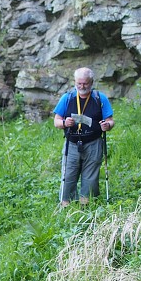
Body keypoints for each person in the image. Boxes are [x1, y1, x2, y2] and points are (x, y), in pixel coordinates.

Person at [53, 67, 114, 207]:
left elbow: (110, 120)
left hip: (93, 143)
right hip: (72, 144)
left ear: (91, 82)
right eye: (79, 83)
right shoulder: (67, 98)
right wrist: (64, 123)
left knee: (90, 178)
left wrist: (107, 125)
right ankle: (66, 206)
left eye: (85, 83)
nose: (82, 86)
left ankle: (86, 205)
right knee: (68, 175)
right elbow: (56, 121)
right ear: (75, 82)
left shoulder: (99, 98)